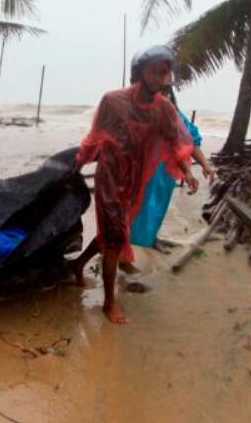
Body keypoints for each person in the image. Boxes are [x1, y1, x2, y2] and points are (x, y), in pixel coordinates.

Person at [72, 45, 198, 324]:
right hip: (110, 175)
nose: (160, 77)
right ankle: (108, 303)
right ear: (139, 71)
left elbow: (177, 143)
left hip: (135, 178)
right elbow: (93, 138)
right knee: (116, 236)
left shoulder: (164, 109)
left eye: (164, 72)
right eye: (155, 71)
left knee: (114, 232)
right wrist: (77, 168)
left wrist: (187, 172)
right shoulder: (113, 101)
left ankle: (78, 265)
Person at [129, 85, 216, 250]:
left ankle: (148, 240)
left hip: (165, 174)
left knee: (156, 209)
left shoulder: (177, 117)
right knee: (132, 211)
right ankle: (121, 254)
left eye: (165, 93)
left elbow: (190, 143)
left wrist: (205, 165)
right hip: (139, 171)